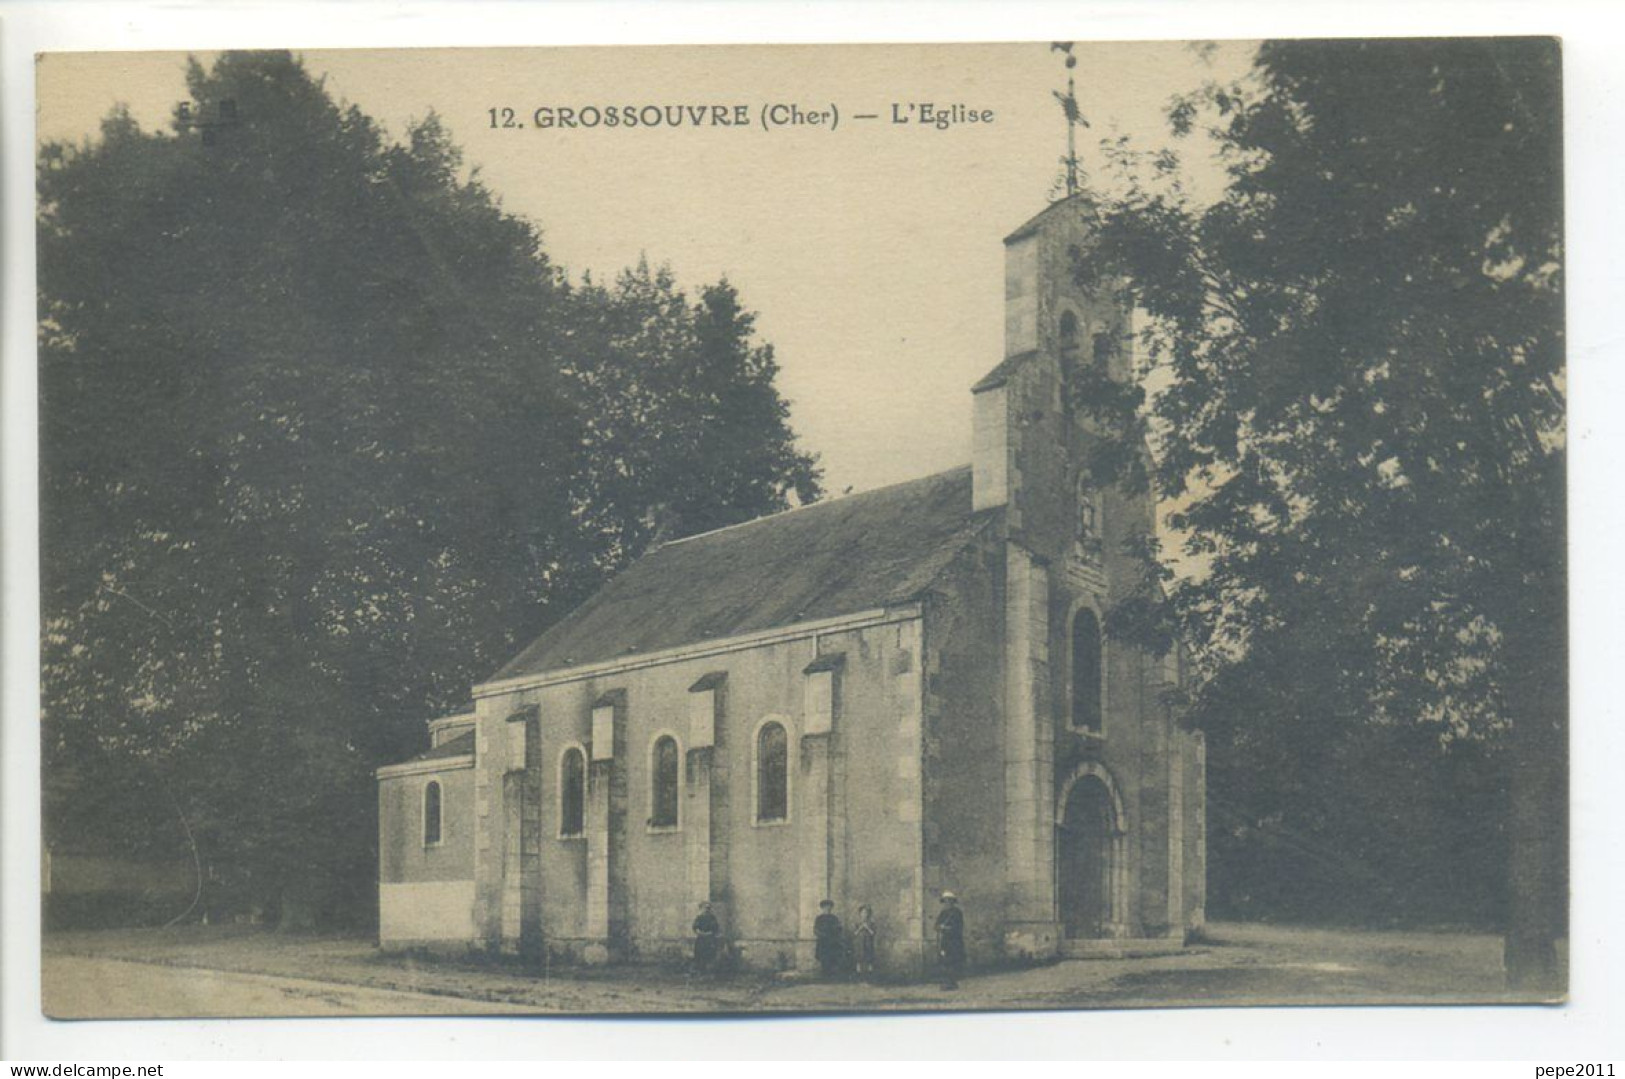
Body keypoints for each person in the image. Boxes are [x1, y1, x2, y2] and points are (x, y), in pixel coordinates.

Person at [935, 890, 965, 990]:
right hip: (945, 941)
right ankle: (946, 982)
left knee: (953, 961)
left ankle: (952, 982)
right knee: (944, 962)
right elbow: (936, 925)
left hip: (955, 941)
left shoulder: (957, 913)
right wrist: (940, 927)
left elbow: (959, 927)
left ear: (952, 901)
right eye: (945, 901)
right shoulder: (943, 913)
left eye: (949, 901)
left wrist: (948, 929)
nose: (947, 903)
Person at [813, 899, 843, 978]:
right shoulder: (819, 918)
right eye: (825, 907)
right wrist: (822, 934)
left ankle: (831, 975)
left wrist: (835, 933)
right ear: (822, 908)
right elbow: (816, 930)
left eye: (829, 907)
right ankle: (824, 974)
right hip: (823, 941)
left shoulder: (834, 918)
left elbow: (839, 928)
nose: (827, 908)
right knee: (823, 958)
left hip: (832, 941)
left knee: (832, 957)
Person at [692, 901, 721, 975]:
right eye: (705, 908)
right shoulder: (699, 918)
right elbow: (695, 928)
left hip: (710, 939)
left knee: (710, 954)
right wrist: (701, 933)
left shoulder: (712, 918)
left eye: (708, 908)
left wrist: (709, 934)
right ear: (701, 908)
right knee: (700, 954)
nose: (707, 909)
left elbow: (715, 928)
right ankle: (701, 971)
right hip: (701, 939)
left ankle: (710, 972)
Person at [853, 904, 878, 979]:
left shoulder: (871, 923)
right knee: (859, 956)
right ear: (860, 913)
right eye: (863, 912)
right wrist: (860, 928)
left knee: (869, 956)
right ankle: (858, 972)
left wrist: (867, 927)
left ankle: (870, 972)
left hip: (868, 942)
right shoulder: (857, 923)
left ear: (868, 914)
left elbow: (873, 933)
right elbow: (855, 933)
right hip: (859, 942)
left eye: (866, 913)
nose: (864, 914)